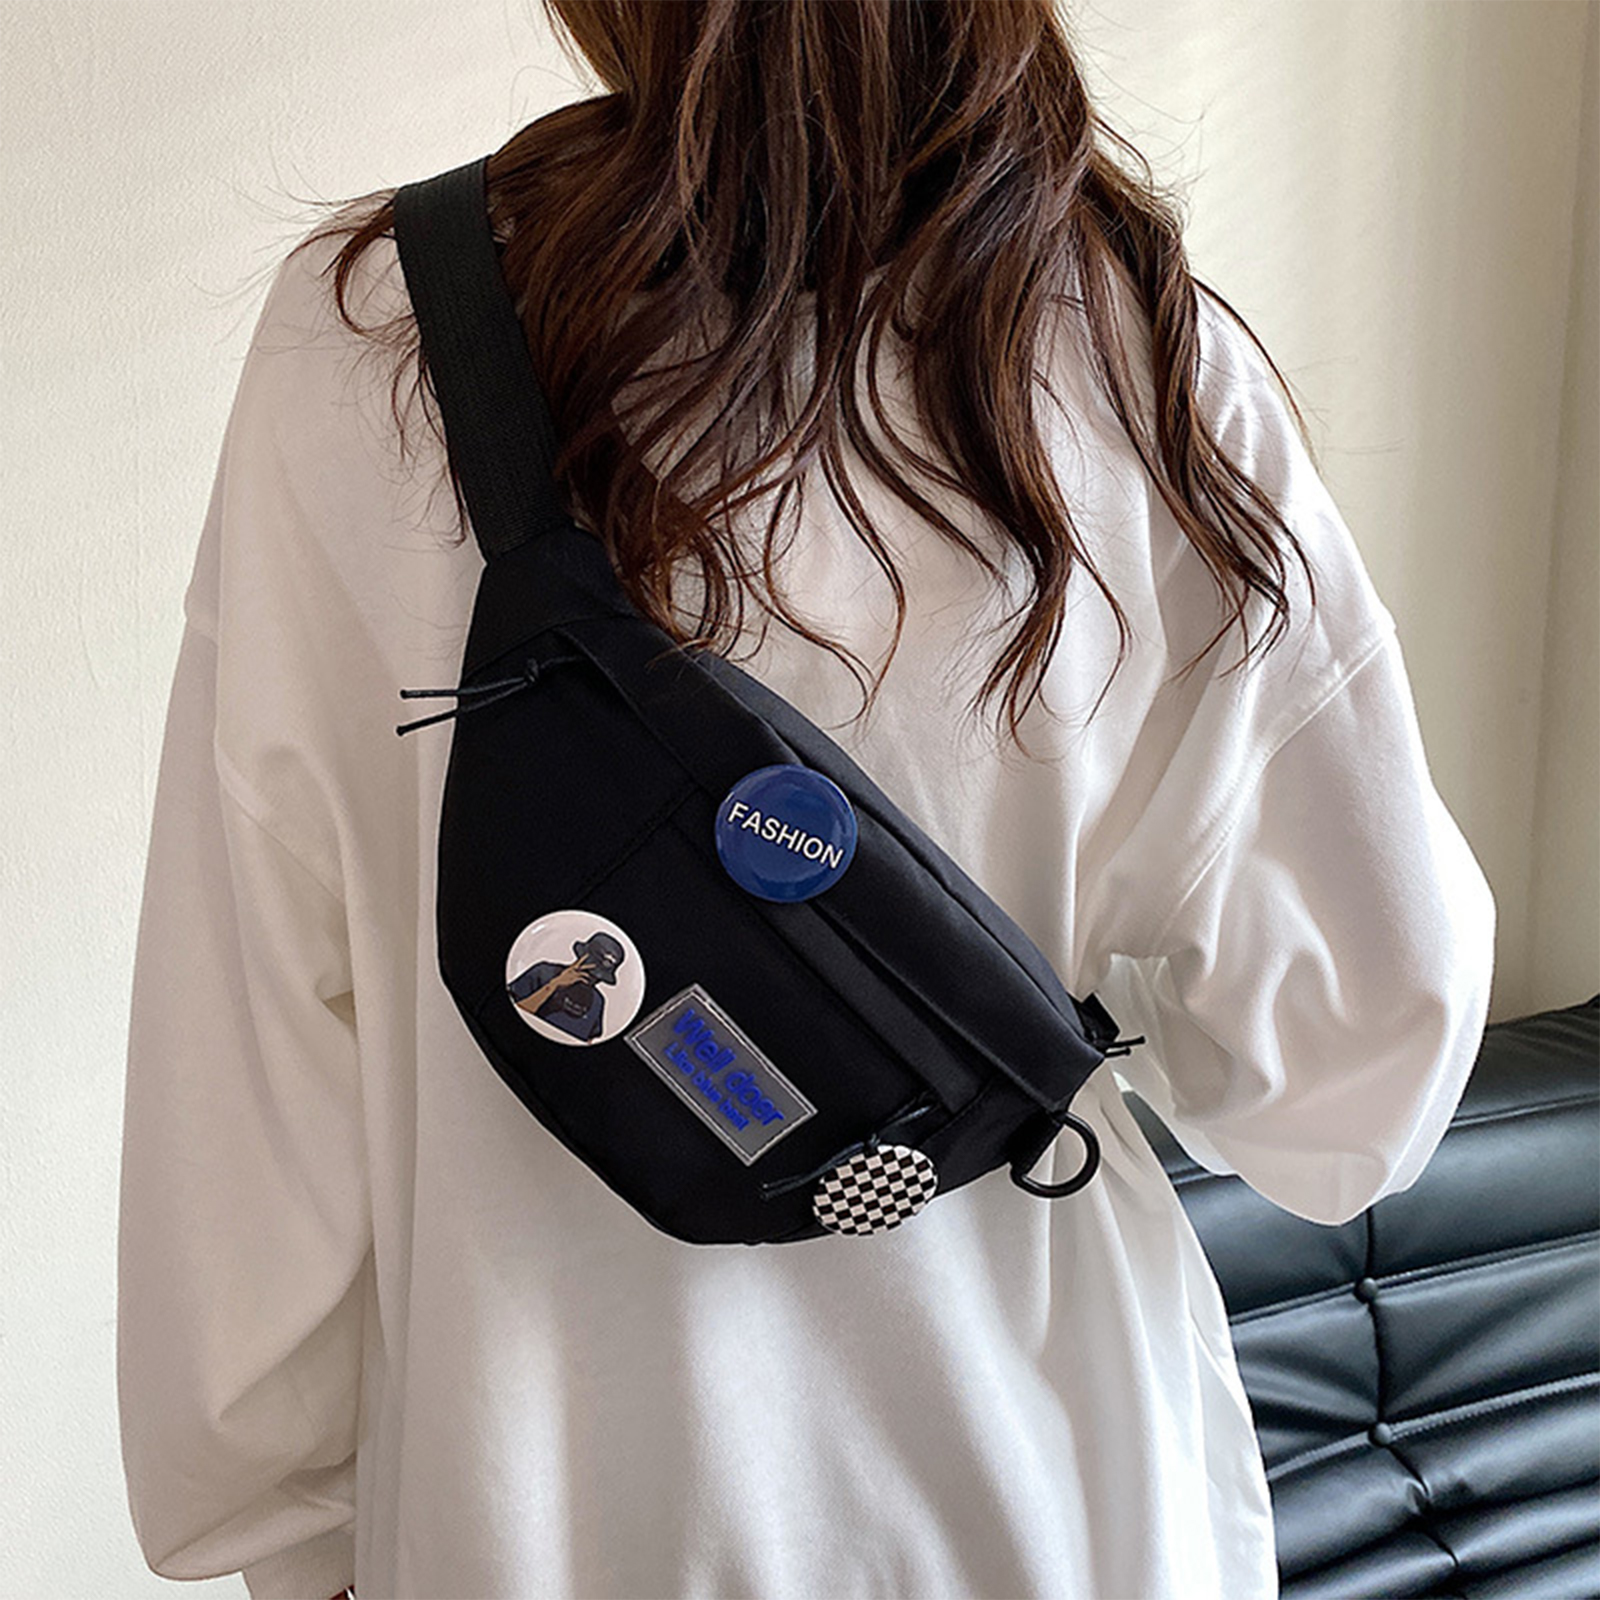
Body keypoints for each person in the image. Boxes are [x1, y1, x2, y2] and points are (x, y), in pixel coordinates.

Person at [115, 3, 1497, 1597]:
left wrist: (289, 1536)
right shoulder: (1134, 356)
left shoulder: (368, 335)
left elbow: (246, 1036)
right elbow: (1350, 1091)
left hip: (542, 1494)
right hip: (1044, 1485)